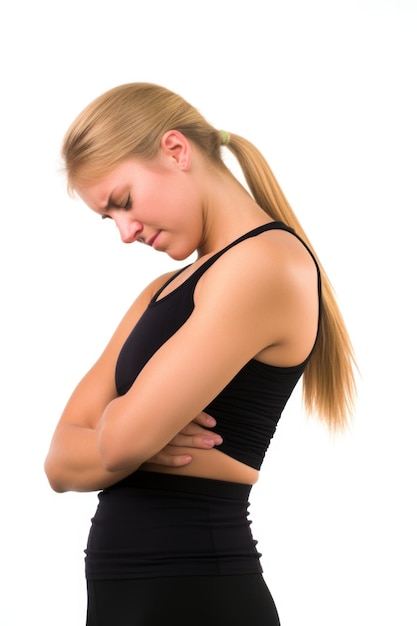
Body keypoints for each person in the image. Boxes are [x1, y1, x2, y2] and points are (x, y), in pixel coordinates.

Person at [44, 82, 356, 626]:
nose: (124, 232)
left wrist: (125, 433)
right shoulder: (162, 291)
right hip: (126, 597)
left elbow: (117, 441)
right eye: (108, 218)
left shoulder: (265, 264)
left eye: (124, 201)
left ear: (175, 150)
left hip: (196, 594)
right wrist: (131, 431)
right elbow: (57, 462)